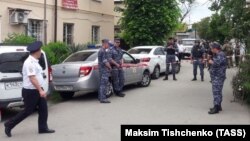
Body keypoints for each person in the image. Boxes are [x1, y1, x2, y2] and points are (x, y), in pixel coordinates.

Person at [4, 41, 55, 137]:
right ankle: (9, 124)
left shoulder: (35, 61)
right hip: (31, 91)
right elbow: (32, 78)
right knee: (28, 111)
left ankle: (43, 128)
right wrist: (40, 90)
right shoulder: (29, 63)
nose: (41, 52)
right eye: (40, 50)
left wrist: (41, 89)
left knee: (43, 109)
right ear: (36, 51)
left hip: (38, 89)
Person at [208, 42, 227, 114]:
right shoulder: (218, 54)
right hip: (217, 76)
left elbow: (217, 63)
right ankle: (218, 106)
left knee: (216, 92)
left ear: (215, 48)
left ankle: (216, 108)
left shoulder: (220, 54)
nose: (211, 49)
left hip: (218, 76)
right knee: (218, 92)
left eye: (212, 48)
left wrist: (211, 61)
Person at [98, 39, 112, 103]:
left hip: (101, 69)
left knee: (101, 84)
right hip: (104, 70)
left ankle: (100, 97)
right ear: (105, 43)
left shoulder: (101, 50)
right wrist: (109, 67)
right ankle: (103, 98)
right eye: (108, 44)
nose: (109, 45)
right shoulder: (103, 51)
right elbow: (105, 61)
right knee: (103, 84)